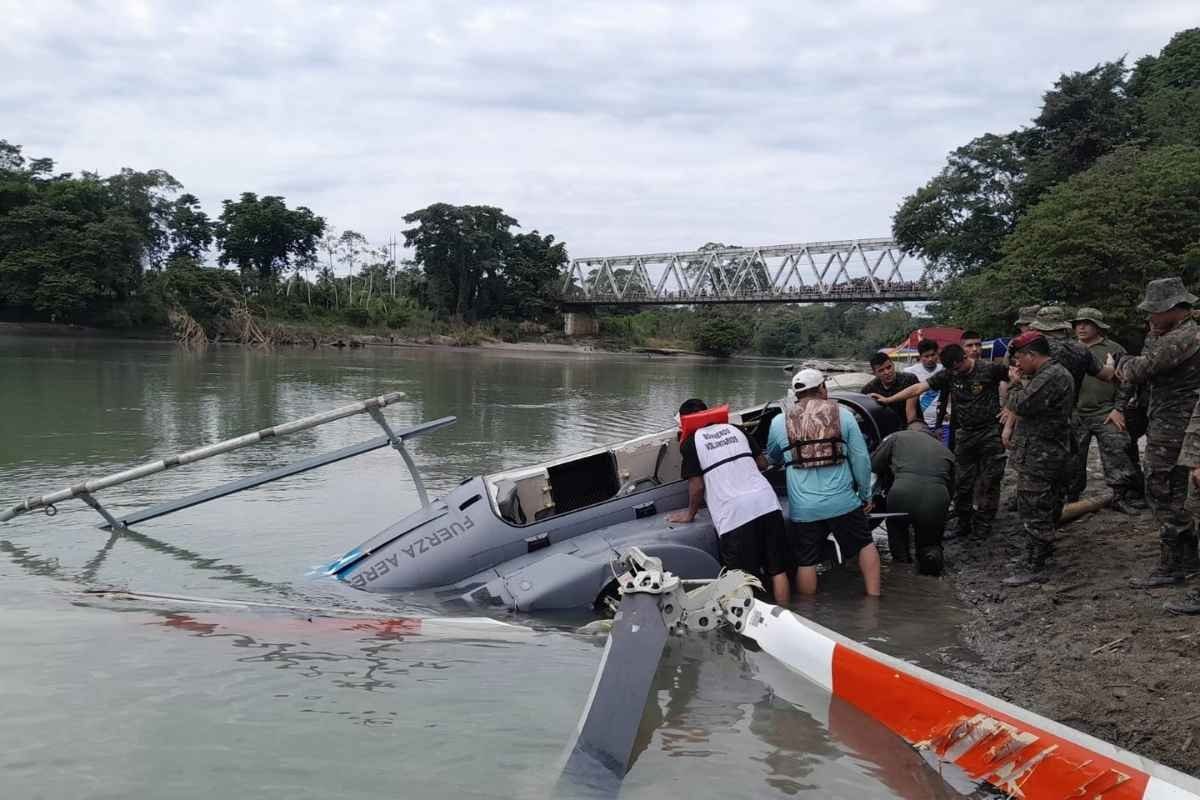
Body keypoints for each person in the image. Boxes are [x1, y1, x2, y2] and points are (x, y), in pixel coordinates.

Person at [871, 343, 1008, 541]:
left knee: (990, 481)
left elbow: (1016, 378)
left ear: (963, 359)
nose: (956, 373)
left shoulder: (989, 369)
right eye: (951, 370)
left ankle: (983, 526)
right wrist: (889, 400)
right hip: (965, 434)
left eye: (958, 368)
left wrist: (1012, 409)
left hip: (990, 433)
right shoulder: (949, 374)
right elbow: (919, 388)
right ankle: (963, 523)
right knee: (961, 481)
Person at [1116, 278, 1200, 594]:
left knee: (1163, 490)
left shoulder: (1183, 337)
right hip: (1170, 423)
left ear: (1172, 309)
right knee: (1173, 491)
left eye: (1154, 312)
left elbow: (1139, 369)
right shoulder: (1175, 334)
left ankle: (1175, 563)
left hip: (1175, 427)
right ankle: (1184, 558)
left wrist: (1122, 363)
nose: (1150, 318)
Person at [766, 369, 881, 596]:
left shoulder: (780, 421)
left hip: (804, 508)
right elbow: (861, 459)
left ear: (796, 394)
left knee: (806, 561)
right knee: (865, 545)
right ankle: (874, 600)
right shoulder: (843, 415)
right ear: (822, 389)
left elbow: (773, 457)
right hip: (843, 502)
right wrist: (865, 495)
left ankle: (809, 615)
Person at [668, 399, 791, 605]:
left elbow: (697, 486)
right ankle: (787, 614)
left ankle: (749, 632)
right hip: (767, 504)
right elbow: (762, 463)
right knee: (778, 569)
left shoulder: (691, 443)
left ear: (684, 422)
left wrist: (690, 514)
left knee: (741, 580)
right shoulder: (735, 429)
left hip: (734, 515)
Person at [1003, 332, 1076, 586]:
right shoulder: (1051, 374)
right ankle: (1040, 554)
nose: (1017, 365)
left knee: (1034, 506)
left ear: (1031, 355)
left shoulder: (1050, 376)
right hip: (1046, 449)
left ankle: (1036, 564)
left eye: (1019, 359)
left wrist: (1014, 383)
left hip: (1042, 454)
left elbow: (1020, 404)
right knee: (1045, 503)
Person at [1069, 307, 1145, 512]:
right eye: (1078, 323)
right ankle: (1070, 498)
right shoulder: (1070, 349)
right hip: (1075, 413)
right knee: (1071, 458)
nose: (1081, 327)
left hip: (1106, 412)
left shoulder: (1114, 349)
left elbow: (1128, 381)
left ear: (1098, 326)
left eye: (1087, 323)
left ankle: (1120, 496)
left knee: (1118, 453)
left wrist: (1118, 408)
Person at [870, 428, 955, 575]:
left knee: (897, 532)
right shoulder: (946, 451)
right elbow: (952, 487)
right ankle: (931, 574)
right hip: (936, 499)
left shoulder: (897, 437)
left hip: (902, 494)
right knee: (930, 543)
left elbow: (874, 464)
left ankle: (903, 573)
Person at [861, 352, 919, 429]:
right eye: (881, 370)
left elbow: (911, 412)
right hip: (885, 429)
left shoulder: (909, 380)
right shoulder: (869, 389)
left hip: (912, 424)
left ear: (893, 365)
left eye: (889, 367)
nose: (887, 372)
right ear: (875, 373)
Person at [905, 339, 945, 440]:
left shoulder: (945, 370)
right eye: (926, 356)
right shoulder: (910, 373)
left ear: (938, 353)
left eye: (933, 355)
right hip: (921, 425)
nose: (930, 359)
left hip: (943, 424)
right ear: (920, 357)